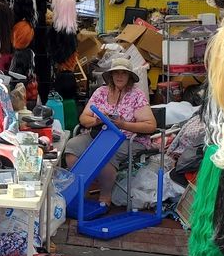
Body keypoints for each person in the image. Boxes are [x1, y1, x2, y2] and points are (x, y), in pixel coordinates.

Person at [63, 58, 157, 205]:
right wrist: (97, 121)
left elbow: (150, 126)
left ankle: (105, 195)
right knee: (72, 147)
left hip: (127, 139)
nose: (119, 76)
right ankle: (82, 187)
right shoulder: (100, 92)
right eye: (116, 73)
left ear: (129, 77)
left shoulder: (137, 95)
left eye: (124, 73)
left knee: (105, 153)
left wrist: (123, 124)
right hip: (99, 135)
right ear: (111, 76)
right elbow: (83, 118)